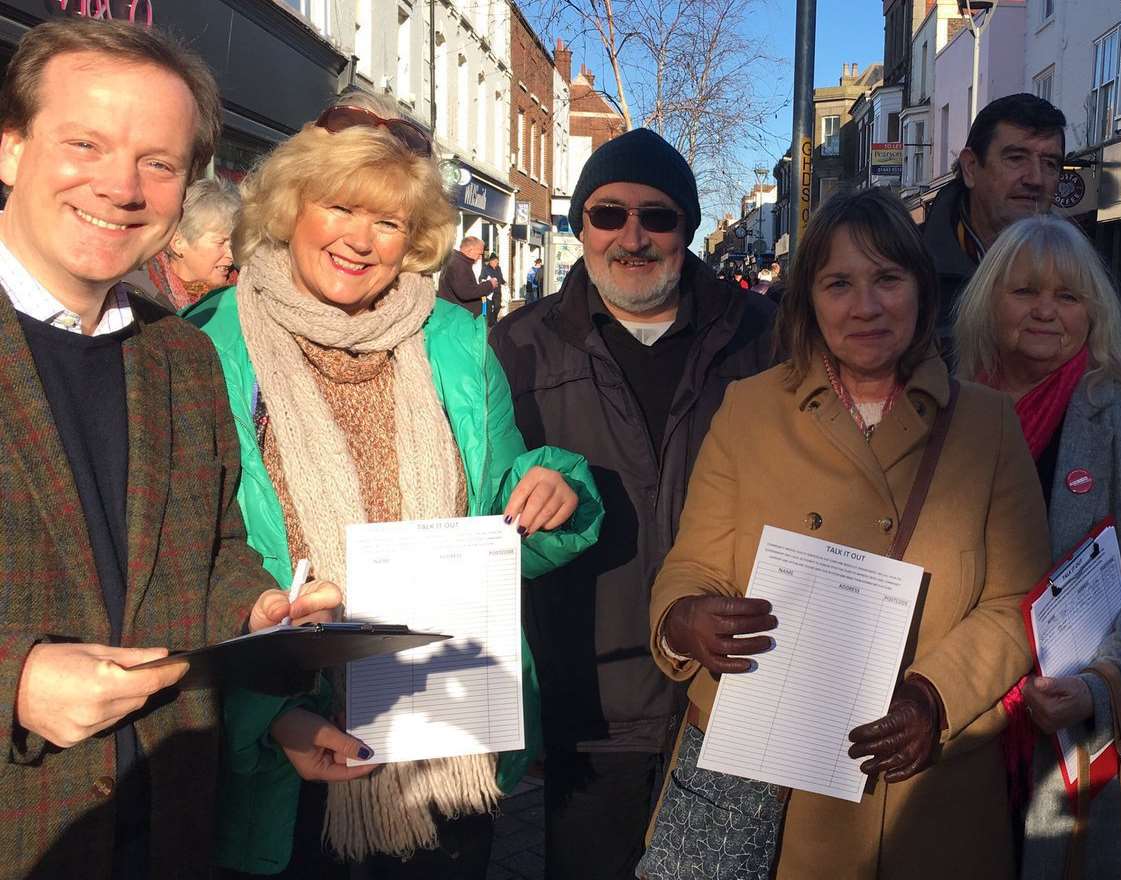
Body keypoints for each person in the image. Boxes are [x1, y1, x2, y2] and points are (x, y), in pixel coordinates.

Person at [185, 89, 604, 879]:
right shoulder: (208, 345)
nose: (360, 240)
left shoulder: (452, 339)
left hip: (440, 735)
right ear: (290, 205)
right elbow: (186, 565)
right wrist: (271, 717)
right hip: (286, 751)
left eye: (389, 221)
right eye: (341, 207)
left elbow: (497, 508)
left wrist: (555, 490)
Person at [0, 18, 342, 879]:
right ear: (10, 149)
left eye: (158, 162)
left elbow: (212, 546)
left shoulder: (183, 355)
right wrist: (12, 681)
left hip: (168, 832)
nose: (120, 187)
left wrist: (259, 613)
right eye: (84, 142)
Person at [647, 188, 1050, 878]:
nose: (866, 306)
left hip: (931, 791)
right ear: (808, 301)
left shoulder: (986, 424)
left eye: (887, 279)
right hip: (771, 785)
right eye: (839, 283)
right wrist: (686, 622)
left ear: (922, 293)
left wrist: (933, 696)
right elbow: (692, 565)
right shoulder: (749, 412)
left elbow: (1018, 599)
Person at [489, 127, 777, 880]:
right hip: (589, 696)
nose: (633, 237)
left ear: (688, 225)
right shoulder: (517, 347)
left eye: (658, 216)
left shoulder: (763, 338)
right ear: (580, 223)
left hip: (730, 684)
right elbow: (482, 509)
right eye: (608, 214)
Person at [954, 215, 1121, 879]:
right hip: (957, 737)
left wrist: (1101, 683)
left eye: (1068, 297)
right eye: (1025, 291)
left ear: (1095, 315)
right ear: (986, 300)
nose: (1045, 311)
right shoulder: (942, 416)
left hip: (1081, 759)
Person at [922, 93, 1065, 345]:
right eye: (1016, 158)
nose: (1036, 178)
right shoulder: (907, 268)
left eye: (1050, 163)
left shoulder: (1087, 277)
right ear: (970, 167)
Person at [127, 177, 240, 310]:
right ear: (178, 243)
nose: (232, 255)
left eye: (234, 243)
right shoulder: (137, 297)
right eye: (221, 242)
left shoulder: (246, 295)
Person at [437, 235, 496, 318]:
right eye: (479, 254)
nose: (480, 258)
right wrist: (490, 284)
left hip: (459, 316)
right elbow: (467, 292)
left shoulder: (458, 262)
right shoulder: (458, 265)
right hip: (459, 320)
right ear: (470, 250)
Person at [480, 251, 505, 325]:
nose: (497, 263)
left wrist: (504, 282)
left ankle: (493, 319)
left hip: (497, 291)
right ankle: (491, 322)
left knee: (498, 306)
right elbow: (481, 278)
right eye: (496, 261)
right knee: (488, 308)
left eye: (497, 261)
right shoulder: (485, 268)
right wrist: (485, 281)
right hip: (489, 292)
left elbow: (501, 277)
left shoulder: (498, 268)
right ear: (491, 261)